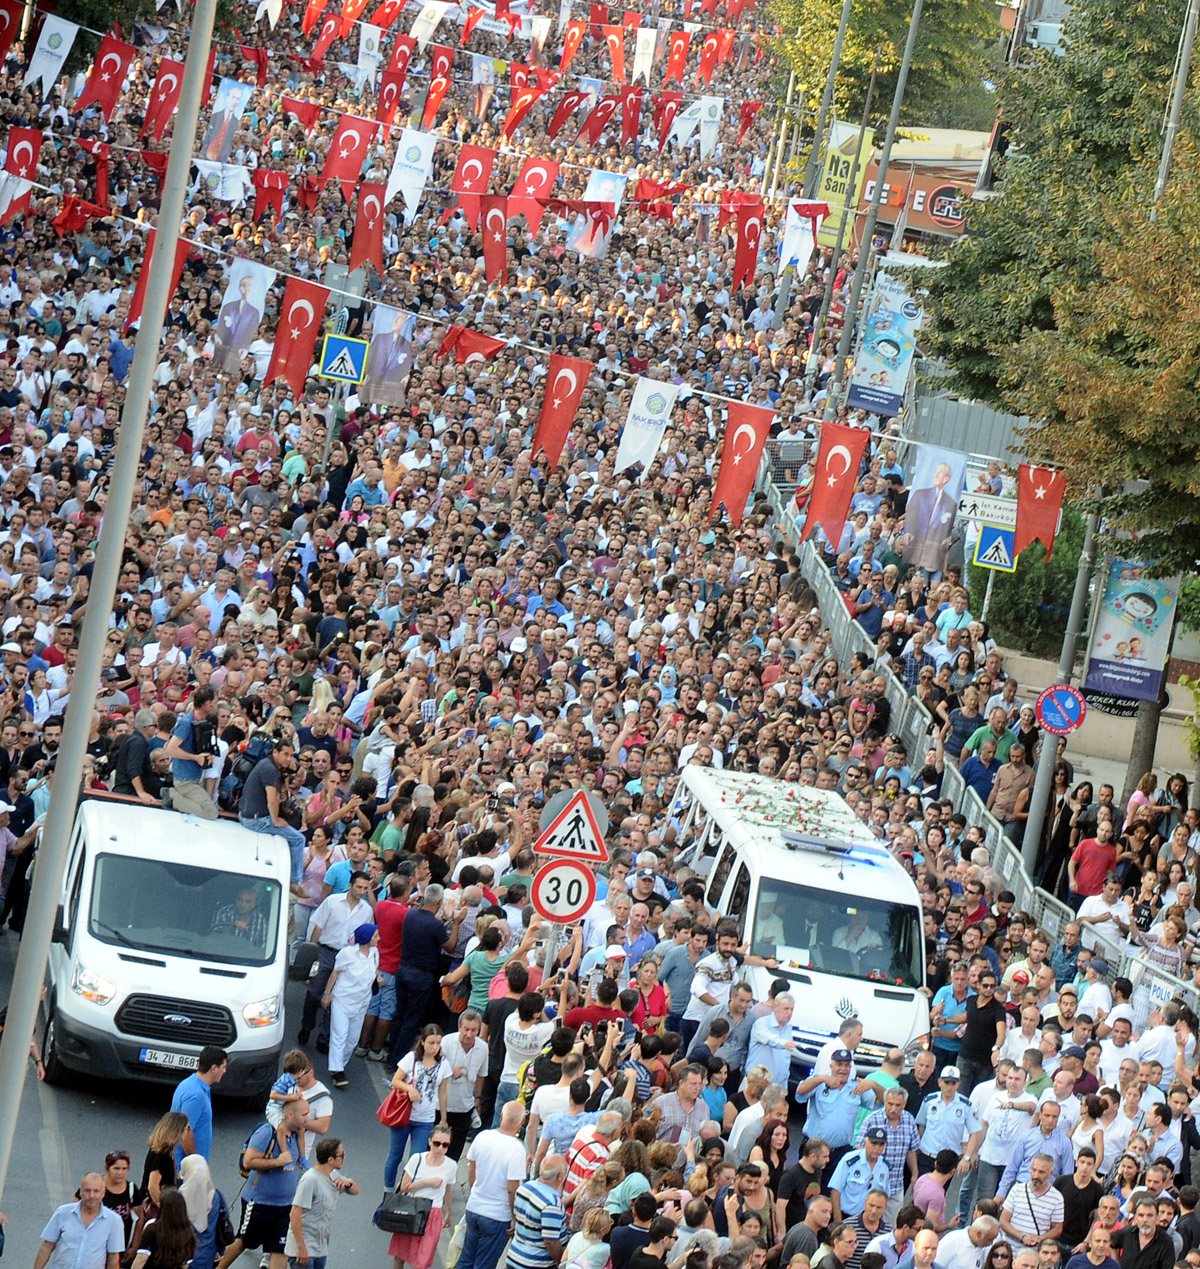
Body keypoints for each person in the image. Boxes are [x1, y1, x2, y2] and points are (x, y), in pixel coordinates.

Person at [216, 1099, 306, 1269]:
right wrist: (277, 1161)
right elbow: (249, 1162)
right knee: (243, 1241)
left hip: (285, 1206)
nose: (306, 1119)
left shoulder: (296, 1136)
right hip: (259, 1204)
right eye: (304, 1115)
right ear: (290, 1114)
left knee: (279, 1249)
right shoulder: (266, 1133)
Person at [459, 1100, 528, 1269]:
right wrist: (514, 1216)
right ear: (522, 1121)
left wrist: (476, 1191)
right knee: (484, 1264)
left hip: (474, 1207)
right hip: (497, 1215)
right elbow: (513, 1189)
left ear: (502, 1115)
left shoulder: (483, 1136)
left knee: (466, 1260)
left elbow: (471, 1171)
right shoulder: (516, 1149)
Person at [384, 1024, 452, 1188]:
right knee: (395, 1155)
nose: (435, 1047)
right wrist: (409, 1089)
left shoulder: (443, 1064)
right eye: (431, 1043)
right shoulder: (411, 1058)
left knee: (416, 1158)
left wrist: (443, 1119)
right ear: (422, 1042)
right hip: (404, 1115)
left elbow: (443, 1093)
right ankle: (388, 1189)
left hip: (426, 1119)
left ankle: (404, 1189)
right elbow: (396, 1080)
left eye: (438, 1043)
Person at [239, 738, 308, 897]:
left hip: (250, 815)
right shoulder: (269, 769)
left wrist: (286, 774)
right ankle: (294, 881)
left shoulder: (269, 765)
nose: (289, 759)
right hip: (256, 820)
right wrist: (276, 820)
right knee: (298, 839)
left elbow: (283, 793)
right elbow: (272, 799)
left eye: (291, 755)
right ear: (275, 752)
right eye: (285, 754)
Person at [321, 921, 381, 1087]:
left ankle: (340, 1064)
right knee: (339, 1035)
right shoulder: (347, 954)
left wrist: (378, 977)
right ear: (367, 938)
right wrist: (327, 995)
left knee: (352, 1039)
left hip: (361, 1002)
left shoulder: (375, 953)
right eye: (376, 936)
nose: (379, 938)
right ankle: (336, 1070)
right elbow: (335, 973)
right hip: (342, 999)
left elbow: (373, 968)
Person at [388, 1126, 457, 1269]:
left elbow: (448, 1189)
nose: (440, 1148)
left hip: (433, 1213)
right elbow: (404, 1186)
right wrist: (428, 1183)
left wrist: (449, 1212)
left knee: (423, 1260)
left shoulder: (451, 1165)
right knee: (401, 1254)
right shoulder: (417, 1159)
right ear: (430, 1141)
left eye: (445, 1145)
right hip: (412, 1209)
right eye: (437, 1143)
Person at [285, 1136, 359, 1269]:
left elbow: (355, 1191)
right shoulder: (310, 1180)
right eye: (342, 1155)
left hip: (320, 1248)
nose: (344, 1158)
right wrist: (301, 1248)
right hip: (304, 1248)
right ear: (330, 1160)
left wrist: (349, 1183)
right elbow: (295, 1213)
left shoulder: (334, 1175)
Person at [34, 1172, 125, 1269]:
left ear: (103, 1193)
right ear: (80, 1191)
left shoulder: (114, 1220)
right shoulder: (63, 1212)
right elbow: (47, 1245)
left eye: (96, 1191)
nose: (91, 1195)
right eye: (87, 1190)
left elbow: (113, 1257)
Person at [508, 1154, 570, 1269]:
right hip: (536, 1263)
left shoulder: (524, 1188)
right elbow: (550, 1241)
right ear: (560, 1176)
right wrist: (561, 1261)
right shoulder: (551, 1204)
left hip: (514, 1254)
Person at [168, 1047, 227, 1163]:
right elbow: (186, 1133)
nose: (225, 1071)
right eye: (223, 1067)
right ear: (214, 1068)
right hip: (185, 1169)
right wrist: (196, 1165)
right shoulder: (196, 1095)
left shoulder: (189, 1084)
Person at [177, 1155, 229, 1269]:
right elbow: (223, 1222)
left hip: (182, 1256)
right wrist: (220, 1250)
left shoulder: (179, 1198)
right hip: (207, 1255)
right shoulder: (216, 1196)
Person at [129, 1189, 195, 1269]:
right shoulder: (188, 1234)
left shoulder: (152, 1230)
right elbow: (185, 1265)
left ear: (161, 1206)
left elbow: (141, 1258)